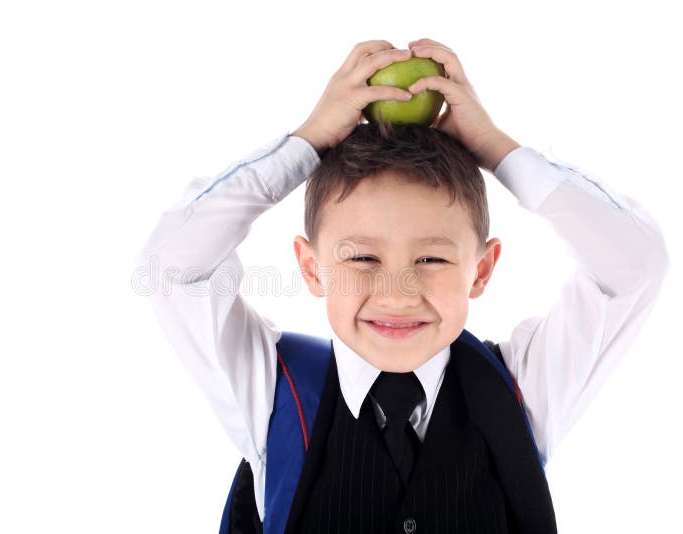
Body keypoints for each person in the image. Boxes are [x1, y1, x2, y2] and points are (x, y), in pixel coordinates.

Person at [133, 38, 668, 533]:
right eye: (363, 256)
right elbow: (173, 265)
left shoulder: (522, 389)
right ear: (312, 267)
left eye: (432, 257)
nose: (397, 293)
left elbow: (634, 265)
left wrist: (497, 149)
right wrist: (307, 143)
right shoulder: (273, 394)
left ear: (481, 270)